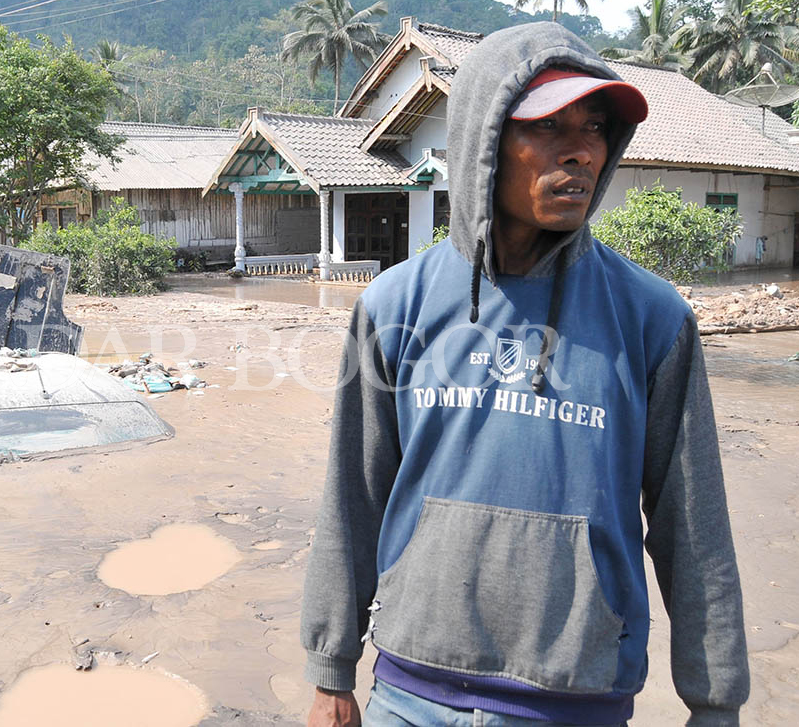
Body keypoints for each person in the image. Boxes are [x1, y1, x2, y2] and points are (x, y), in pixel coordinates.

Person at [300, 22, 749, 727]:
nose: (581, 150)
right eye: (547, 125)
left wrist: (715, 702)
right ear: (483, 141)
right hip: (411, 696)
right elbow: (352, 499)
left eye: (595, 127)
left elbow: (694, 529)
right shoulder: (394, 307)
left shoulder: (652, 319)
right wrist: (331, 670)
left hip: (577, 699)